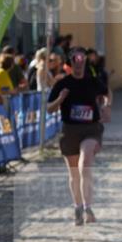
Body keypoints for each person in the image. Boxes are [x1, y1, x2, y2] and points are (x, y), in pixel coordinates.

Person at [46, 47, 111, 225]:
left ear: (85, 62)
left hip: (91, 129)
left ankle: (88, 207)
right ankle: (78, 207)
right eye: (75, 59)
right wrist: (60, 99)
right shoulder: (62, 83)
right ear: (71, 62)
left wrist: (106, 105)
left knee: (85, 163)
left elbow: (106, 93)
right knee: (74, 174)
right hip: (70, 131)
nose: (79, 62)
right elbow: (49, 108)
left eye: (82, 59)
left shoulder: (93, 81)